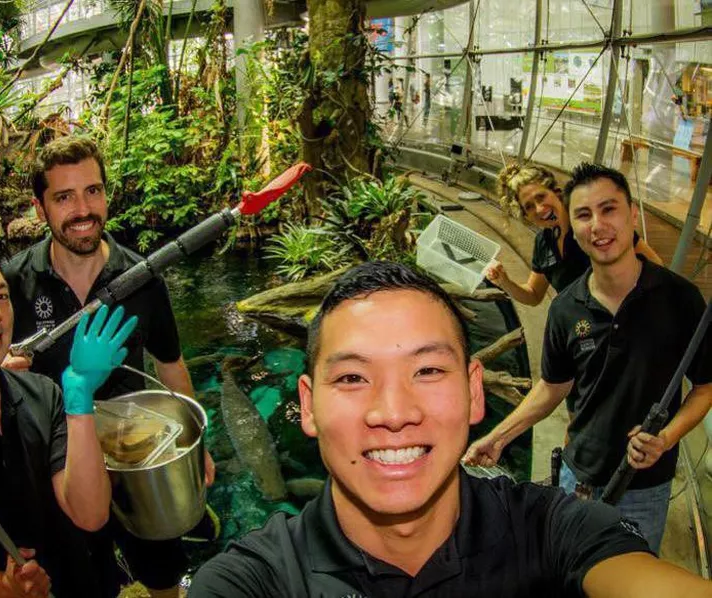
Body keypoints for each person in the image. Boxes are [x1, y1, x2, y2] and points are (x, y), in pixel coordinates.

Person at [188, 261, 712, 598]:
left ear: (474, 391)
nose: (393, 412)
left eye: (428, 371)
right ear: (307, 405)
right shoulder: (251, 582)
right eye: (352, 377)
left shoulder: (556, 534)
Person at [2, 136, 215, 598]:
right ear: (40, 210)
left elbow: (170, 365)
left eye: (92, 191)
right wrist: (1, 366)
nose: (83, 209)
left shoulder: (141, 277)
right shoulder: (14, 280)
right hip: (57, 463)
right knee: (80, 579)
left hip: (135, 456)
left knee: (161, 570)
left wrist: (197, 447)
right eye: (64, 197)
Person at [466, 163, 712, 554]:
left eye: (609, 209)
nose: (598, 225)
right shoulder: (565, 309)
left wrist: (665, 439)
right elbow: (552, 387)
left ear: (633, 215)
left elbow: (704, 388)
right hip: (576, 477)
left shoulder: (679, 299)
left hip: (644, 487)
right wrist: (497, 437)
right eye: (585, 214)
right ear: (574, 225)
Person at [0, 234, 135, 597]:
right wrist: (1, 586)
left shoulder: (43, 394)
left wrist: (79, 400)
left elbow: (90, 514)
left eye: (2, 296)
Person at [488, 161, 662, 306]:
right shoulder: (544, 242)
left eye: (541, 197)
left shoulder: (590, 226)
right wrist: (505, 282)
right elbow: (534, 294)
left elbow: (655, 266)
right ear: (526, 216)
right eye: (529, 207)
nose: (539, 209)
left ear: (556, 193)